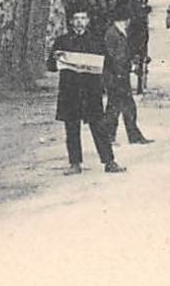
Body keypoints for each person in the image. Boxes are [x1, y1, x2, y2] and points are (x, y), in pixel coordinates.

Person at [48, 9, 123, 175]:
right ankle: (75, 163)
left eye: (83, 18)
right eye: (76, 18)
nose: (79, 22)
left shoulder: (96, 41)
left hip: (91, 91)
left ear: (88, 21)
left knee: (99, 127)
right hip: (70, 91)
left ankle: (109, 161)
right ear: (71, 21)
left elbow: (107, 64)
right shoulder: (62, 41)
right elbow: (51, 67)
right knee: (71, 129)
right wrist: (54, 58)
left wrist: (108, 83)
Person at [103, 5, 153, 145]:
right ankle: (113, 137)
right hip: (115, 76)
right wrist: (124, 67)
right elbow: (113, 57)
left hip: (120, 75)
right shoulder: (112, 34)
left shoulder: (119, 33)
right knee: (116, 106)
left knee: (123, 106)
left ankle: (130, 136)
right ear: (124, 20)